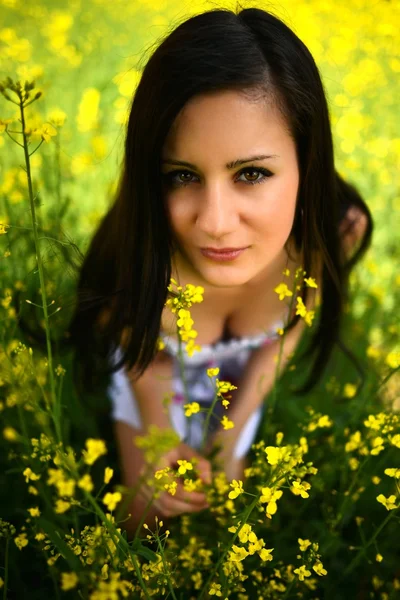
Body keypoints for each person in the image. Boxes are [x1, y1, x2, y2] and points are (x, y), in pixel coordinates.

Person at [67, 6, 373, 535]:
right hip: (149, 370)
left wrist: (230, 444)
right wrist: (161, 440)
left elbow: (282, 341)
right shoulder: (140, 247)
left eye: (251, 173)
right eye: (181, 175)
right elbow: (141, 354)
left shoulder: (335, 232)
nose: (213, 223)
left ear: (307, 159)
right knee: (143, 518)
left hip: (240, 384)